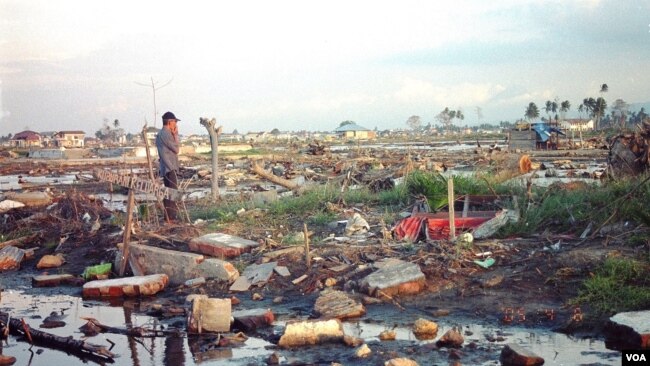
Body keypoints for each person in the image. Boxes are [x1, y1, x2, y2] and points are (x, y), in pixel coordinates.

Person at [156, 111, 180, 222]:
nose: (176, 124)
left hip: (166, 167)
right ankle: (171, 218)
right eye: (175, 122)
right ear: (170, 122)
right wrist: (175, 134)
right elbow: (176, 149)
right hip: (170, 167)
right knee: (172, 193)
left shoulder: (161, 134)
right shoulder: (166, 133)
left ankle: (168, 218)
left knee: (168, 193)